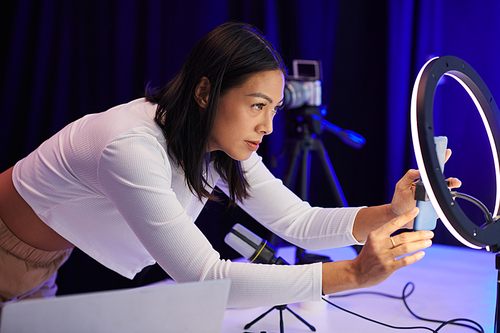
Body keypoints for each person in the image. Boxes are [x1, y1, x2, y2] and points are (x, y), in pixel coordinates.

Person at [0, 22, 460, 309]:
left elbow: (298, 221)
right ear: (205, 93)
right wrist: (354, 274)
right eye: (257, 105)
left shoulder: (220, 147)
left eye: (275, 109)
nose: (268, 126)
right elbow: (204, 276)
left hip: (42, 266)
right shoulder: (131, 147)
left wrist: (395, 212)